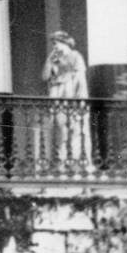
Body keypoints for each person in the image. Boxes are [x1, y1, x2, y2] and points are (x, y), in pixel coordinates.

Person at [42, 31, 91, 170]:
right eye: (53, 44)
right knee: (61, 132)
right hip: (58, 98)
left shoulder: (76, 56)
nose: (55, 47)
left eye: (56, 43)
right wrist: (50, 59)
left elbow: (80, 80)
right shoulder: (55, 58)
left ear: (65, 43)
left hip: (72, 97)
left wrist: (80, 99)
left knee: (77, 132)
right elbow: (45, 76)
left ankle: (80, 165)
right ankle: (62, 164)